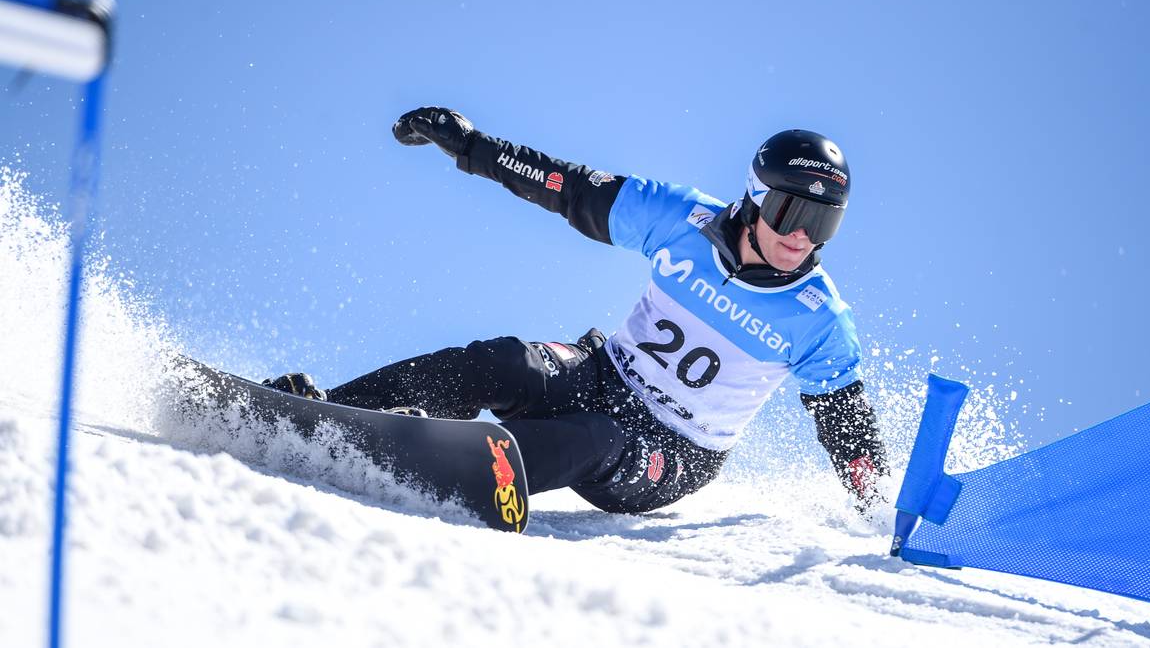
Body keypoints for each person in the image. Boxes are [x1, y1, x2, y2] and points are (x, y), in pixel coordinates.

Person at [265, 106, 889, 515]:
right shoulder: (683, 220)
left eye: (823, 221)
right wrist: (473, 145)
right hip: (602, 375)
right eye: (790, 213)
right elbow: (568, 188)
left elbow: (848, 429)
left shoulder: (819, 318)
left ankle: (451, 474)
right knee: (506, 362)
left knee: (597, 438)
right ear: (754, 200)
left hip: (673, 452)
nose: (802, 236)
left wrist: (879, 507)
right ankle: (326, 415)